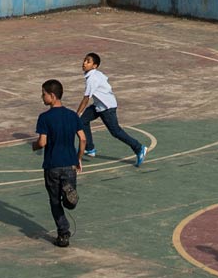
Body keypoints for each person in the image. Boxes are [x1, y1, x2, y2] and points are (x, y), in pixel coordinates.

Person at [30, 79, 86, 248]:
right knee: (67, 199)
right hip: (70, 164)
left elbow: (42, 142)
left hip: (53, 165)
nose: (42, 97)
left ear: (52, 96)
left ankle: (63, 233)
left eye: (44, 94)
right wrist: (79, 158)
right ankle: (71, 199)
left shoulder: (45, 118)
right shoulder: (72, 116)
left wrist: (34, 146)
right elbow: (83, 138)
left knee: (55, 201)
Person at [78, 52, 146, 166]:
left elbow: (85, 99)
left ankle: (139, 148)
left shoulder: (92, 78)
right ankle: (90, 148)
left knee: (116, 132)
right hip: (98, 105)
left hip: (107, 107)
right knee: (82, 121)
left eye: (88, 61)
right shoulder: (93, 74)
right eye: (84, 60)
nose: (84, 63)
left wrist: (77, 113)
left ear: (95, 66)